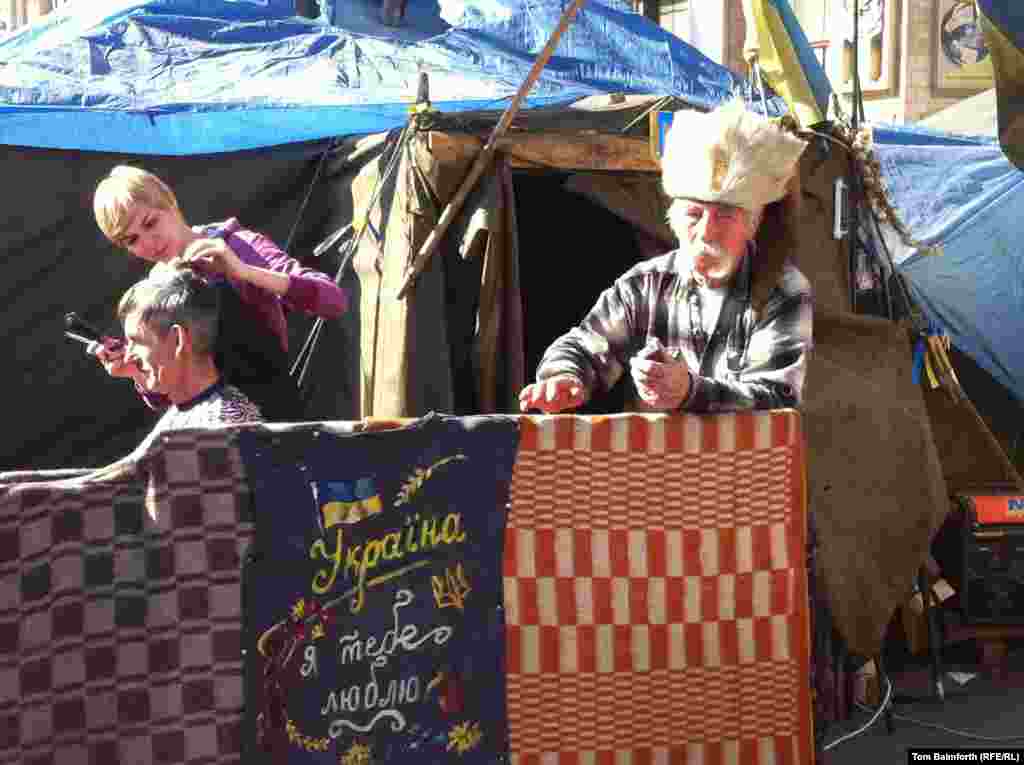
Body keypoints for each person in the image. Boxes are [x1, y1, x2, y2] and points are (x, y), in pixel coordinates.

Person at [519, 99, 813, 414]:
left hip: (743, 462)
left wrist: (689, 391)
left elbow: (776, 397)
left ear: (752, 224)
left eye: (725, 215)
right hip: (659, 462)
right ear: (673, 219)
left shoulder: (782, 290)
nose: (706, 231)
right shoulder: (645, 284)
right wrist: (564, 375)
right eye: (694, 213)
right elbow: (584, 345)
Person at [90, 165, 348, 421]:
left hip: (272, 417)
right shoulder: (155, 286)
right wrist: (134, 369)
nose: (149, 242)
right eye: (132, 240)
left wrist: (243, 271)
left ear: (170, 201)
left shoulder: (235, 244)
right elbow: (167, 391)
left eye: (150, 222)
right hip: (210, 425)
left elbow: (333, 301)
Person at [116, 269, 263, 455]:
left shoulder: (224, 426)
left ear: (178, 340)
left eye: (137, 342)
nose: (128, 356)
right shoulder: (194, 415)